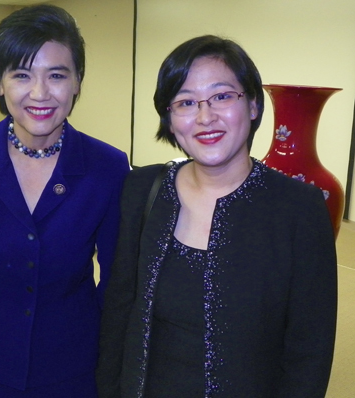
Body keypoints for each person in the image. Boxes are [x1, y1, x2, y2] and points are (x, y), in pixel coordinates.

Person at [96, 35, 337, 398]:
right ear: (170, 118)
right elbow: (118, 312)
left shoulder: (299, 208)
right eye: (186, 102)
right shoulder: (143, 189)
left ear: (253, 104)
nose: (205, 117)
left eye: (222, 96)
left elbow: (309, 351)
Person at [0, 4, 129, 398]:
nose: (40, 93)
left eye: (57, 75)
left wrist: (111, 376)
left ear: (77, 82)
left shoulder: (107, 166)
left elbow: (116, 289)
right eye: (21, 74)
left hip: (73, 372)